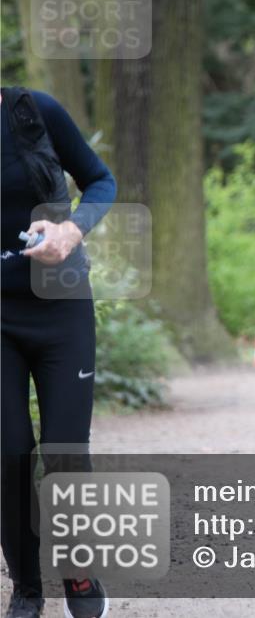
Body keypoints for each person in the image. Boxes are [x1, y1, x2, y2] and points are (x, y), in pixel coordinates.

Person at [1, 87, 116, 618]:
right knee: (9, 455)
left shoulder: (36, 111)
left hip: (61, 304)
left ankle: (80, 572)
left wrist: (72, 230)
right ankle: (26, 587)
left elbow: (100, 181)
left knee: (66, 451)